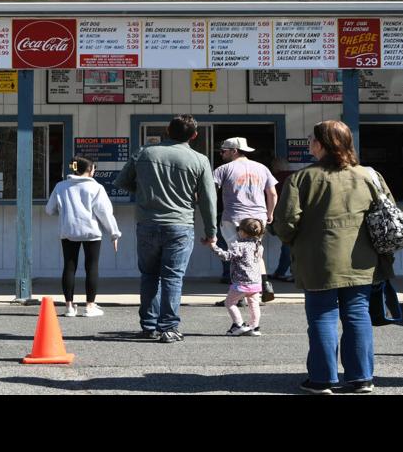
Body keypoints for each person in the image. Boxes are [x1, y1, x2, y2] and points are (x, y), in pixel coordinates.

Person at [274, 120, 391, 395]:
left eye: (312, 139)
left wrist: (291, 239)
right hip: (362, 260)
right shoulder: (369, 176)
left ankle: (323, 379)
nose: (310, 144)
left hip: (318, 260)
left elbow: (285, 223)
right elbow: (389, 215)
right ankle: (362, 378)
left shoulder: (301, 179)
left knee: (323, 317)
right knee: (357, 315)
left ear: (321, 144)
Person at [114, 114, 217, 343]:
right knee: (172, 277)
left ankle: (149, 325)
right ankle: (169, 327)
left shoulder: (144, 153)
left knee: (149, 275)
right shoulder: (199, 160)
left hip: (148, 222)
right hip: (180, 224)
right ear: (194, 135)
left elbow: (121, 181)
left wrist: (143, 193)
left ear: (167, 131)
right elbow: (208, 200)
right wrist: (211, 232)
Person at [45, 156, 121, 318]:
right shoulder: (96, 188)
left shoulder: (61, 186)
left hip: (68, 231)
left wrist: (66, 212)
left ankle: (69, 307)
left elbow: (49, 210)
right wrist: (114, 233)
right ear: (90, 169)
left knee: (69, 267)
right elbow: (105, 213)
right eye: (94, 168)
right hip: (91, 233)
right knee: (91, 267)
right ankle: (89, 306)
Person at [212, 137, 280, 301]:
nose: (221, 154)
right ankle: (264, 285)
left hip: (234, 218)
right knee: (255, 252)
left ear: (234, 150)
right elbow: (272, 194)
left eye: (224, 151)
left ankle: (239, 296)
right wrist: (270, 213)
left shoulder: (224, 169)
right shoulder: (262, 168)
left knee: (236, 255)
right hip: (259, 218)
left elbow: (210, 193)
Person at [206, 217, 267, 336]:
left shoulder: (239, 246)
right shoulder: (259, 246)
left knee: (229, 303)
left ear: (242, 232)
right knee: (253, 304)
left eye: (239, 229)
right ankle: (254, 327)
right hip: (255, 283)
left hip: (241, 283)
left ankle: (238, 324)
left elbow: (226, 256)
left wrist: (213, 246)